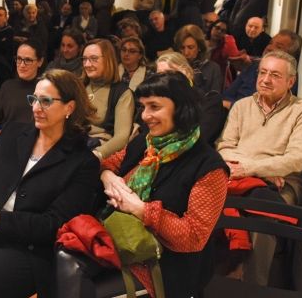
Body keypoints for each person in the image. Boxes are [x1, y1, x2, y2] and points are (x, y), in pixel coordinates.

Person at [0, 69, 101, 298]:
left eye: (46, 101)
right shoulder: (12, 132)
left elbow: (53, 225)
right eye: (34, 99)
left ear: (69, 108)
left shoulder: (83, 162)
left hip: (27, 245)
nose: (35, 108)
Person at [88, 71, 229, 298]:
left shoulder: (209, 167)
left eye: (154, 106)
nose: (145, 116)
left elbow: (193, 237)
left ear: (181, 108)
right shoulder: (147, 143)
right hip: (120, 242)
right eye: (143, 107)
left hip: (163, 266)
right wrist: (107, 175)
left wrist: (140, 209)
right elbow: (108, 164)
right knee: (59, 262)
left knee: (78, 284)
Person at [216, 50, 302, 286]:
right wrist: (255, 170)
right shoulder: (241, 106)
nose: (265, 79)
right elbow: (224, 146)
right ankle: (218, 284)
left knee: (263, 223)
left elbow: (297, 159)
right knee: (211, 211)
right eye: (262, 73)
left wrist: (253, 168)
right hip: (240, 177)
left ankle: (252, 287)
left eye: (275, 75)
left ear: (290, 81)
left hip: (283, 183)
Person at [155, 53, 227, 145]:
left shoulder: (210, 99)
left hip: (194, 155)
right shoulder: (156, 101)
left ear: (186, 72)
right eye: (159, 75)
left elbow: (202, 137)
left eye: (169, 73)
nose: (163, 79)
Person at [82, 39, 135, 161]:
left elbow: (122, 137)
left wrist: (98, 154)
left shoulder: (122, 92)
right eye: (84, 59)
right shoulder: (79, 86)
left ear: (108, 60)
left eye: (94, 59)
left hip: (97, 150)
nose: (87, 64)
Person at [223, 30, 302, 108]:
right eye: (270, 43)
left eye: (279, 47)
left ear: (289, 55)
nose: (269, 47)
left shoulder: (288, 74)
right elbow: (228, 95)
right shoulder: (253, 66)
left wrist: (231, 105)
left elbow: (267, 107)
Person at [0, 41, 44, 141]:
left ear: (40, 62)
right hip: (6, 141)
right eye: (19, 59)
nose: (22, 65)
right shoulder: (7, 86)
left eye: (28, 60)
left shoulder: (44, 90)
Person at [175, 24, 224, 93]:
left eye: (190, 47)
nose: (186, 53)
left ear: (199, 47)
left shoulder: (213, 69)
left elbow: (215, 99)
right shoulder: (173, 67)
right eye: (182, 48)